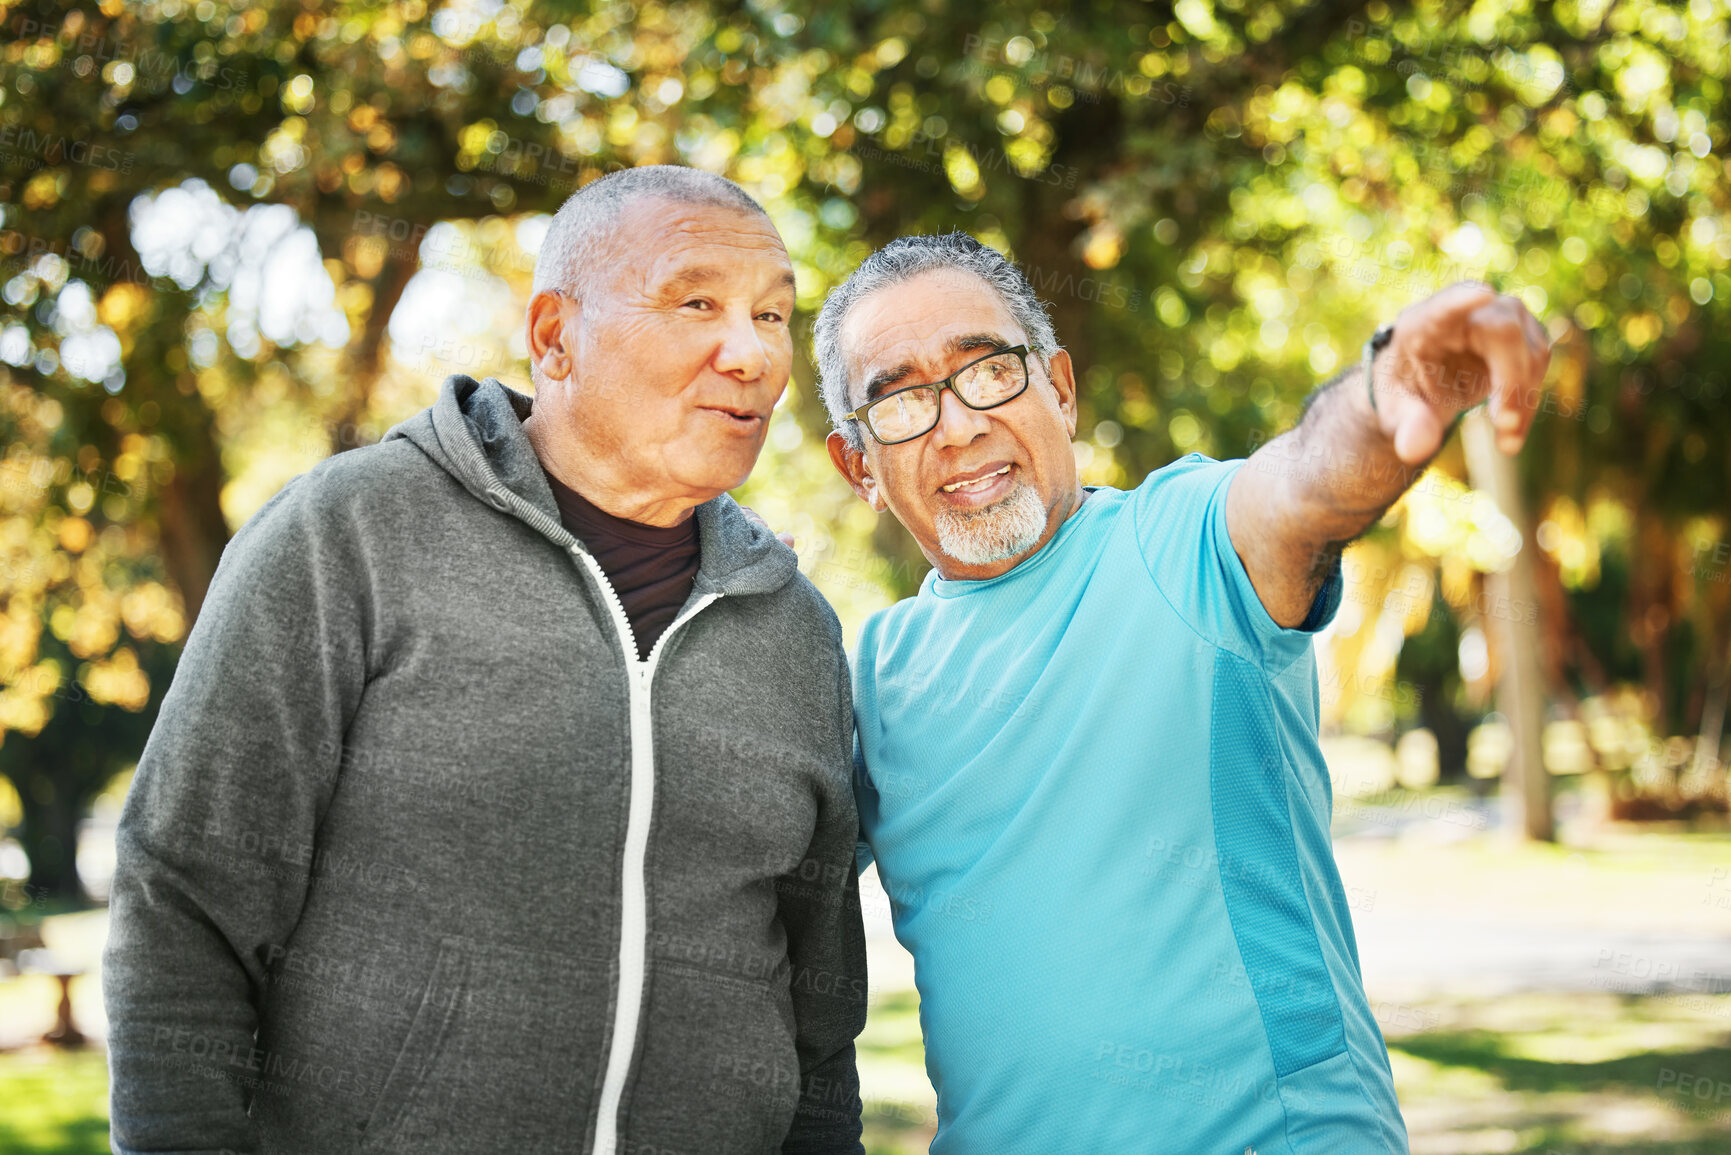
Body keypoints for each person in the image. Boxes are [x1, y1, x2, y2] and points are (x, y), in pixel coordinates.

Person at [103, 166, 867, 1155]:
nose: (754, 353)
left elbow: (819, 1016)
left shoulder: (795, 629)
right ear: (554, 337)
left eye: (774, 316)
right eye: (697, 304)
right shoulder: (349, 538)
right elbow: (184, 902)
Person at [816, 232, 1550, 1153]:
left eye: (988, 371)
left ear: (1060, 390)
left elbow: (1302, 488)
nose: (957, 425)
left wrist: (1382, 393)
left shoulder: (1179, 540)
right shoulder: (873, 674)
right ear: (857, 470)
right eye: (899, 401)